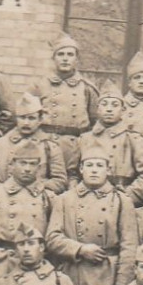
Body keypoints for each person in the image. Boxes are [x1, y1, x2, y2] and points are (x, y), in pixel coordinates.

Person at [46, 145, 138, 285]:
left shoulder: (121, 201)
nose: (94, 170)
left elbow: (129, 246)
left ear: (108, 170)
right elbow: (52, 238)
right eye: (89, 165)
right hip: (73, 272)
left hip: (107, 275)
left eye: (99, 165)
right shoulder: (65, 199)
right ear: (81, 169)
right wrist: (80, 249)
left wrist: (121, 284)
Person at [0, 144, 53, 271]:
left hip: (35, 264)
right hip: (2, 261)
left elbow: (54, 237)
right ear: (12, 164)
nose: (27, 169)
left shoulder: (48, 197)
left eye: (32, 164)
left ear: (39, 167)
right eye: (22, 163)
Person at [0, 92, 69, 195]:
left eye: (31, 118)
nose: (26, 123)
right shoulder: (0, 144)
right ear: (16, 119)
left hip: (36, 200)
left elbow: (60, 180)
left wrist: (37, 189)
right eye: (22, 117)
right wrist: (2, 191)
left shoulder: (50, 146)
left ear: (40, 120)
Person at [34, 33, 99, 177]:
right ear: (53, 58)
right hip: (45, 144)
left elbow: (96, 123)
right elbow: (28, 116)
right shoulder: (39, 85)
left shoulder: (87, 88)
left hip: (74, 148)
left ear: (76, 59)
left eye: (70, 54)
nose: (65, 58)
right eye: (60, 54)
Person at [79, 84, 143, 196]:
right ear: (97, 109)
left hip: (122, 194)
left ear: (123, 110)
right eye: (104, 104)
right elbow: (73, 174)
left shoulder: (134, 139)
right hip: (89, 196)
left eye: (115, 105)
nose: (109, 109)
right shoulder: (85, 139)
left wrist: (128, 196)